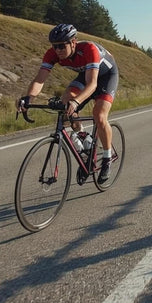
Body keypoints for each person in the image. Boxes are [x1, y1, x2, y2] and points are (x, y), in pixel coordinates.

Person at [16, 23, 119, 185]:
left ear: (73, 42)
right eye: (55, 46)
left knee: (99, 116)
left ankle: (107, 158)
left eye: (62, 46)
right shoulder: (52, 54)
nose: (58, 50)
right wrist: (28, 98)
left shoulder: (88, 49)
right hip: (86, 74)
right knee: (65, 102)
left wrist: (76, 101)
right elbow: (39, 79)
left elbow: (92, 84)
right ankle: (84, 140)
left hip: (106, 76)